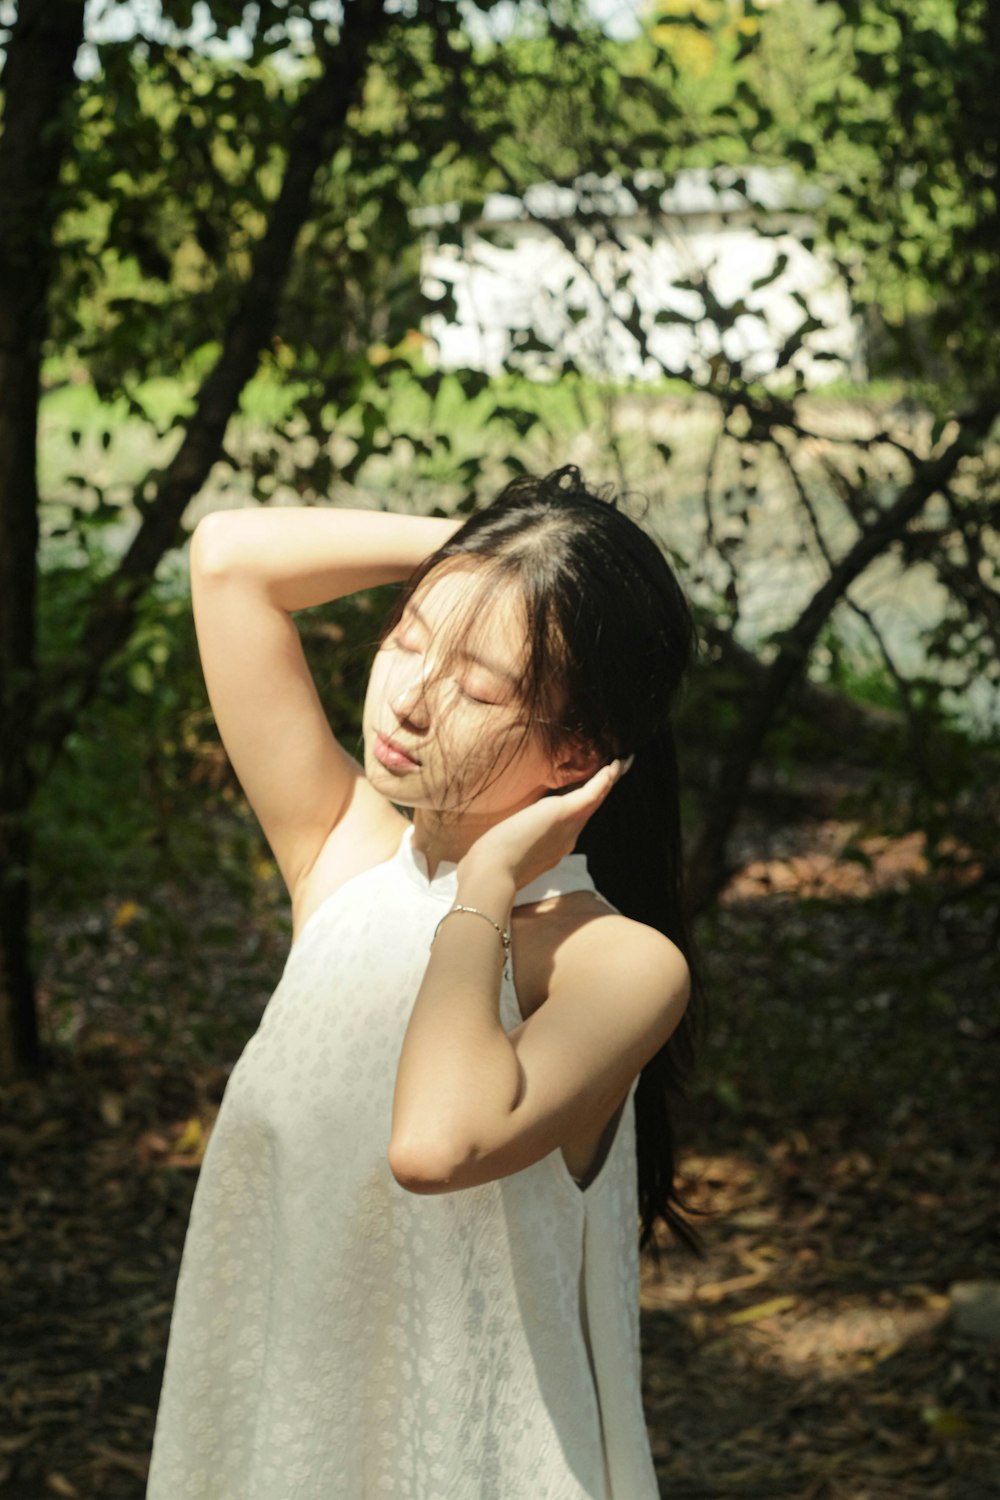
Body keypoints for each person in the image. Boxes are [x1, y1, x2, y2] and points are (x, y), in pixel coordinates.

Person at [146, 465, 702, 1500]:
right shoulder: (345, 862)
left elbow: (436, 1144)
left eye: (478, 684)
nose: (407, 697)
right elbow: (228, 559)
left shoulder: (611, 962)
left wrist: (484, 887)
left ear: (575, 753)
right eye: (405, 638)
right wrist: (510, 559)